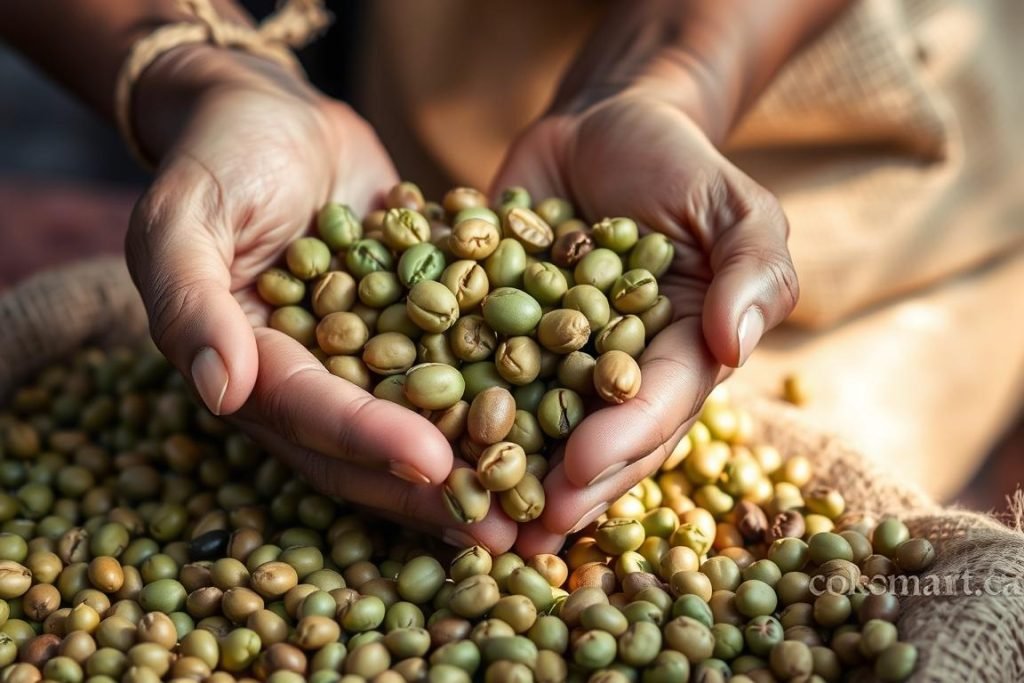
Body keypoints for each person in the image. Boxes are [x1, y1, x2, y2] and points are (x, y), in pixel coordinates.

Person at [4, 0, 1021, 555]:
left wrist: (659, 77)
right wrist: (205, 75)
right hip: (413, 143)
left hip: (883, 175)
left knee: (829, 494)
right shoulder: (445, 278)